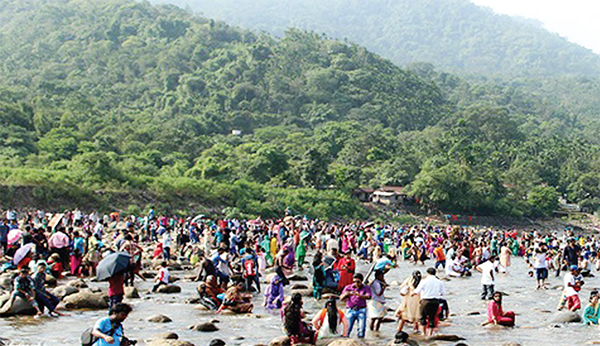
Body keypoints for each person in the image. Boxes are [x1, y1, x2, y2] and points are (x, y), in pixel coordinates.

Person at [414, 268, 446, 337]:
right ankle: (431, 333)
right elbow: (443, 293)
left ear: (427, 273)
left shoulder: (424, 281)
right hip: (435, 301)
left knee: (423, 316)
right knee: (432, 317)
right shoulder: (439, 282)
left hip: (426, 300)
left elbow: (417, 291)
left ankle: (424, 332)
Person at [340, 273, 372, 339]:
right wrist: (347, 294)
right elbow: (341, 298)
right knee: (347, 328)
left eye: (358, 282)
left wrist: (360, 296)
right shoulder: (348, 287)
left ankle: (360, 341)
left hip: (361, 310)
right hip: (350, 309)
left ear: (361, 281)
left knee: (361, 328)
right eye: (354, 281)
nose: (356, 283)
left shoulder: (366, 288)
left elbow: (369, 296)